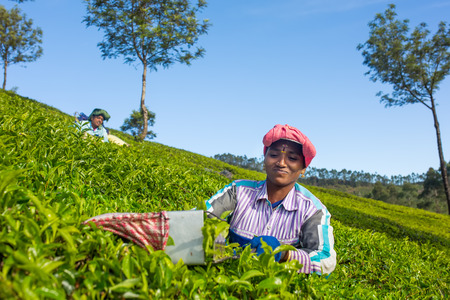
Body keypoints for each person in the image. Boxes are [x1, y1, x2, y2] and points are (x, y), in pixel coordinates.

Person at [205, 124, 336, 275]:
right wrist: (218, 251)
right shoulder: (238, 191)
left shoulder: (313, 210)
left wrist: (284, 253)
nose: (281, 163)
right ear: (265, 159)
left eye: (292, 158)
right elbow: (203, 218)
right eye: (274, 155)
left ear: (303, 168)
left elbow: (326, 260)